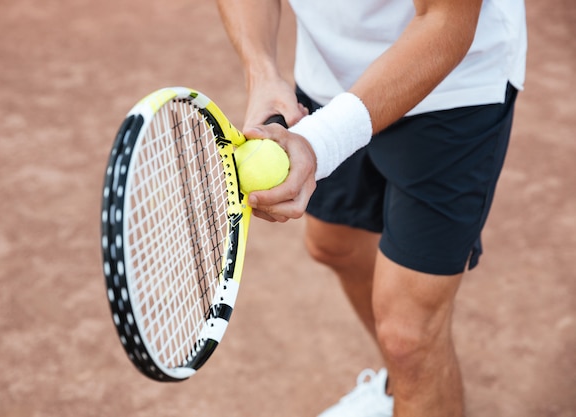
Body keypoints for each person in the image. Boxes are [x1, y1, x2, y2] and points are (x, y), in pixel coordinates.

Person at [216, 0, 527, 416]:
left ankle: (414, 369)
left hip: (454, 86)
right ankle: (401, 387)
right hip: (330, 75)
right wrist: (262, 71)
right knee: (334, 244)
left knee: (409, 339)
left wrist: (321, 142)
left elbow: (446, 19)